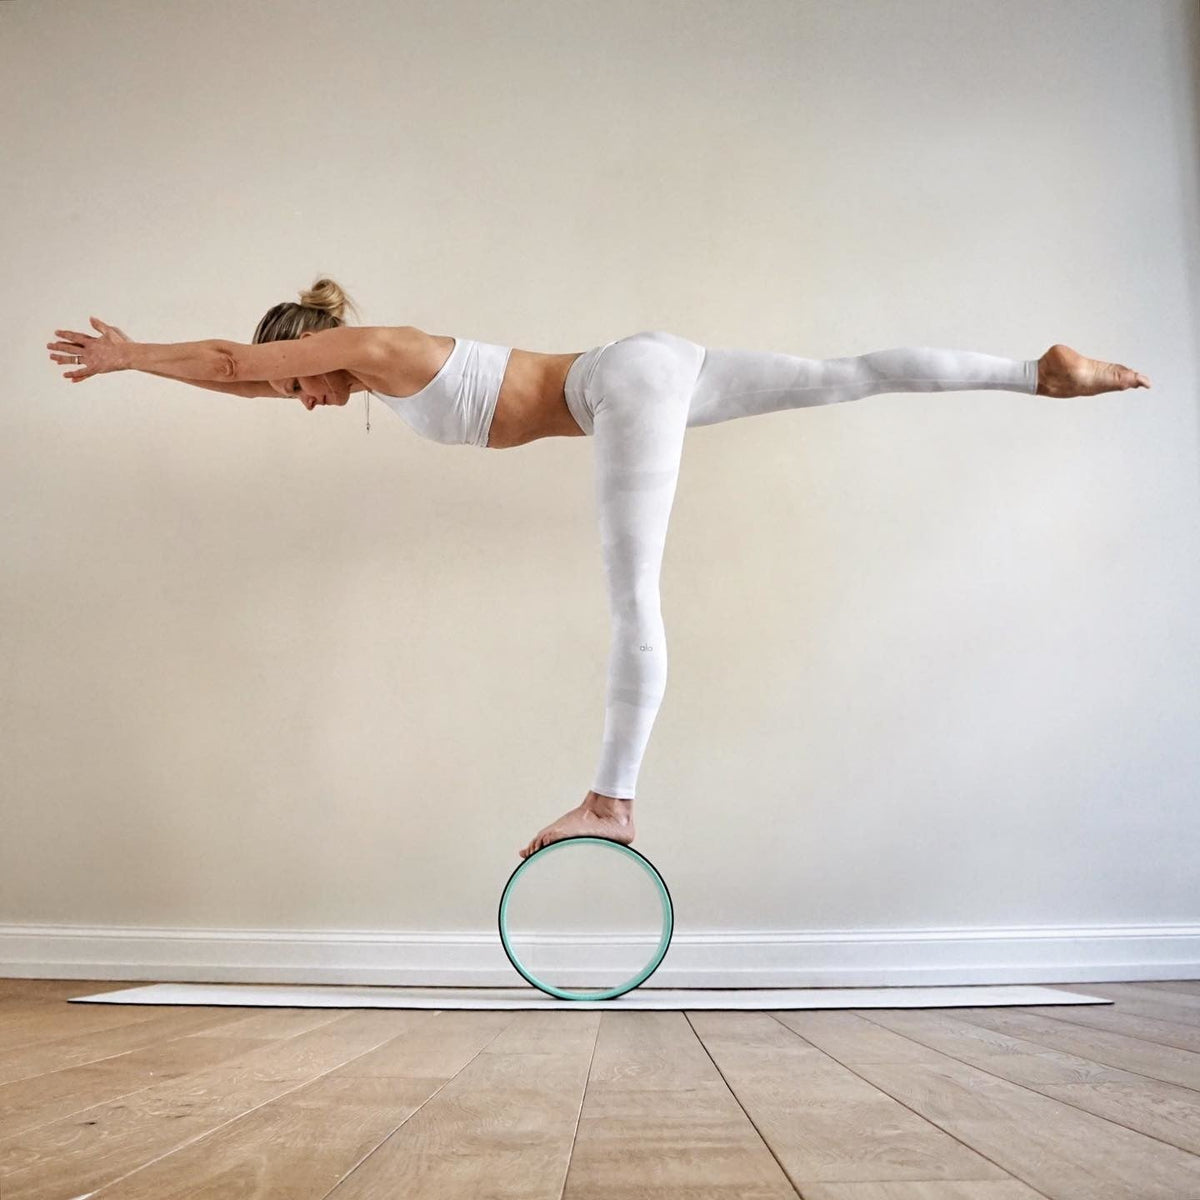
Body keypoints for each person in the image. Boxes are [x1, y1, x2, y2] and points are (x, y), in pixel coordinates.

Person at [47, 276, 1152, 862]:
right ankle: (1036, 373)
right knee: (842, 375)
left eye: (300, 384)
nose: (300, 404)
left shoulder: (371, 349)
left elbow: (237, 361)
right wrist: (145, 373)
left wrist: (131, 353)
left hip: (622, 388)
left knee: (634, 597)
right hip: (647, 365)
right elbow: (239, 381)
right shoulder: (367, 374)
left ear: (310, 347)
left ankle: (610, 801)